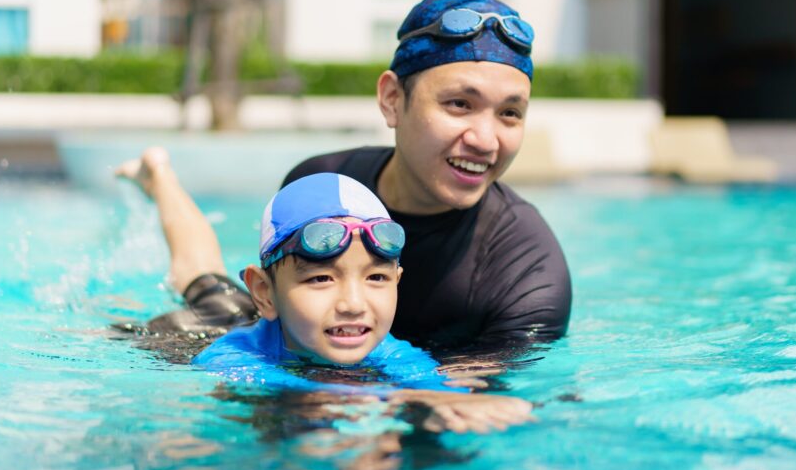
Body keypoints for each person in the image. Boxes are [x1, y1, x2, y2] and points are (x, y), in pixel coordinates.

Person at [119, 0, 571, 351]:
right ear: (392, 99)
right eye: (459, 104)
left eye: (510, 114)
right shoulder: (326, 179)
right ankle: (160, 176)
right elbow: (269, 308)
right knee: (209, 290)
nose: (486, 140)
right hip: (275, 338)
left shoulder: (527, 273)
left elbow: (466, 406)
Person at [152, 167, 535, 433]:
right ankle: (159, 177)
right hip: (204, 328)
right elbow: (255, 386)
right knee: (201, 278)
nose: (353, 303)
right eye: (321, 278)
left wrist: (455, 399)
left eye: (376, 278)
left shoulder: (389, 351)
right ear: (265, 293)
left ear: (397, 281)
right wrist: (389, 395)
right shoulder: (230, 357)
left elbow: (428, 382)